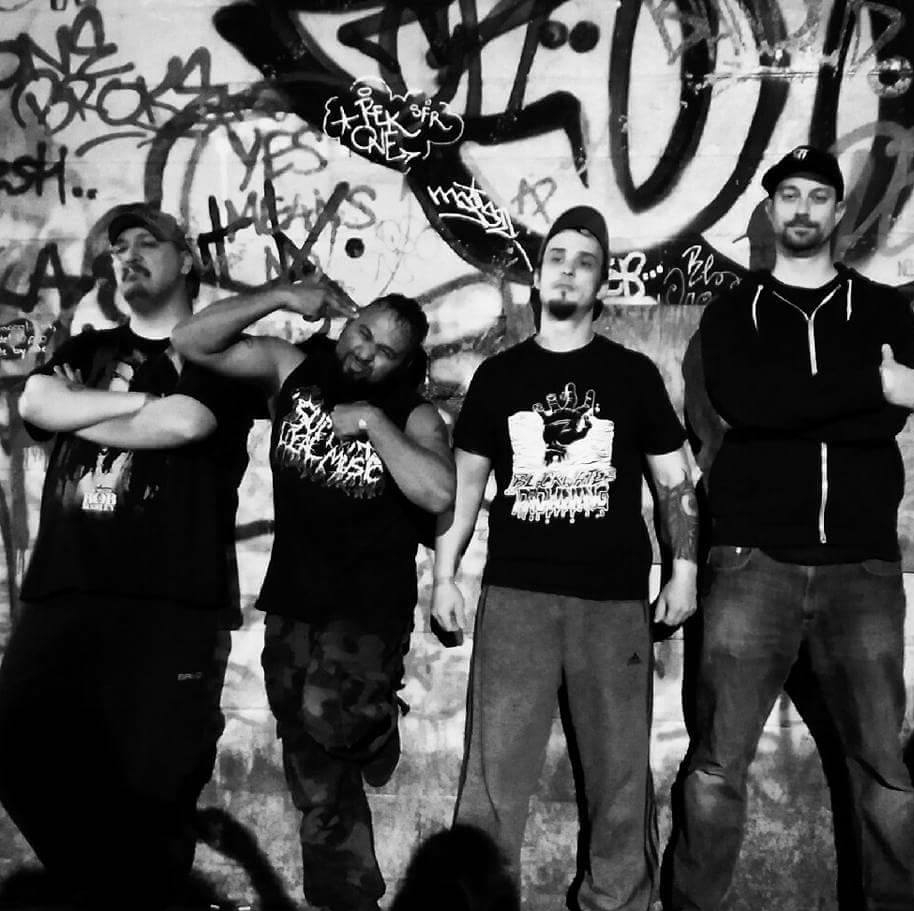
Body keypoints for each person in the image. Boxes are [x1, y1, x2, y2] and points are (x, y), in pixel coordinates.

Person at [663, 146, 914, 911]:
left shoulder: (885, 310)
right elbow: (748, 405)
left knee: (885, 773)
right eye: (789, 196)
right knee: (716, 767)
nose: (803, 208)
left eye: (817, 196)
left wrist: (815, 402)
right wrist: (872, 385)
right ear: (773, 213)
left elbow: (885, 416)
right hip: (752, 565)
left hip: (862, 570)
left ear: (839, 211)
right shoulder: (731, 314)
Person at [431, 205, 699, 911]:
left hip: (612, 602)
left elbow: (675, 480)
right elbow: (464, 483)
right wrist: (444, 575)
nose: (569, 271)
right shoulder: (499, 376)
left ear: (602, 282)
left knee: (621, 781)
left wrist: (684, 569)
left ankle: (616, 903)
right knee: (492, 781)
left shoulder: (632, 374)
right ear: (538, 275)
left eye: (585, 261)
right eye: (557, 257)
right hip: (516, 599)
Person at [0, 204, 260, 909]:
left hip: (169, 602)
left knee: (156, 786)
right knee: (16, 746)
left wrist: (86, 409)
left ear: (188, 260)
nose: (130, 254)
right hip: (65, 588)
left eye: (149, 241)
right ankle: (102, 888)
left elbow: (186, 422)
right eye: (120, 246)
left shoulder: (221, 353)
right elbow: (38, 402)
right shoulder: (88, 347)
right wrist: (138, 403)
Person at [171, 283, 455, 911]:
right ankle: (345, 894)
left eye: (384, 352)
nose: (364, 354)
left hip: (368, 612)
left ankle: (375, 724)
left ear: (404, 364)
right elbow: (190, 340)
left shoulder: (411, 415)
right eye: (362, 333)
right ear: (346, 323)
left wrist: (374, 422)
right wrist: (279, 295)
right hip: (294, 598)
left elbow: (438, 492)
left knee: (332, 717)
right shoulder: (291, 371)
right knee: (310, 756)